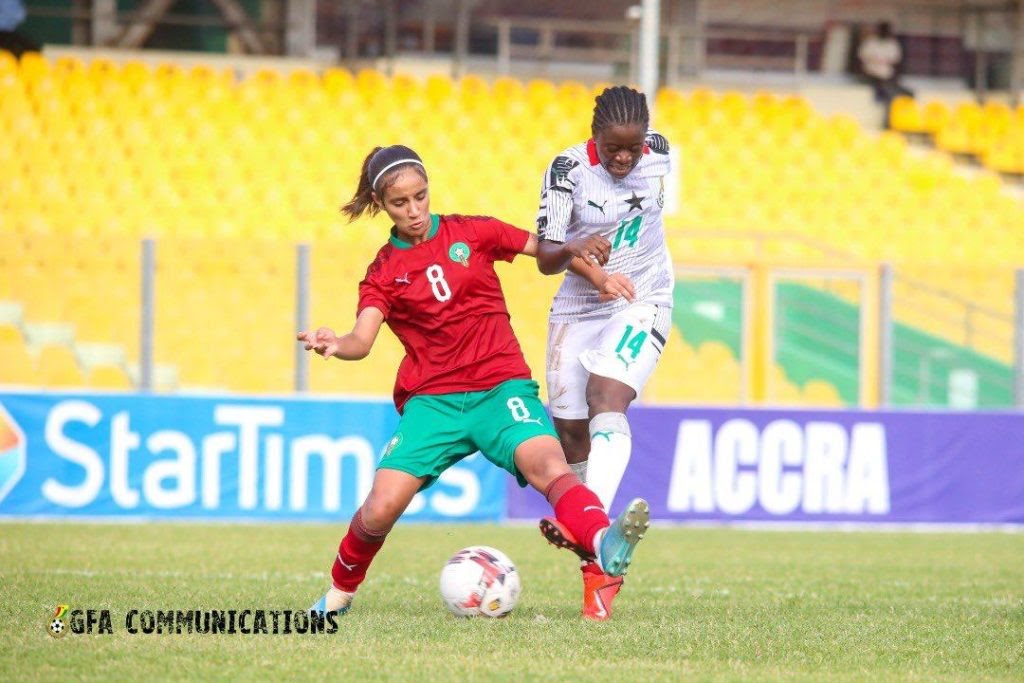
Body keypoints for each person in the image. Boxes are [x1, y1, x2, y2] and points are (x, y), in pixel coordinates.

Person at [299, 144, 650, 618]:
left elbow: (545, 250)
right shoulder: (383, 272)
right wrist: (336, 343)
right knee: (380, 507)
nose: (414, 210)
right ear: (381, 204)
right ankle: (339, 593)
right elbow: (362, 339)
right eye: (400, 203)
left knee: (549, 466)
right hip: (434, 402)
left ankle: (603, 542)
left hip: (501, 388)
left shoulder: (473, 231)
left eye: (421, 196)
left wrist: (598, 275)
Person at [534, 85, 673, 621]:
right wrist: (587, 262)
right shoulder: (567, 171)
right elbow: (545, 256)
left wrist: (620, 272)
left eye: (633, 148)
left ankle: (589, 527)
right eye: (614, 148)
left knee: (605, 396)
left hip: (644, 297)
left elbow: (646, 221)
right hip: (578, 306)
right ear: (595, 136)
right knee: (571, 433)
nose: (624, 158)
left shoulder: (661, 152)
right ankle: (599, 562)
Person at [856, 21, 913, 128]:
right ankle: (888, 122)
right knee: (887, 92)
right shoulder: (870, 43)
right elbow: (860, 60)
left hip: (887, 77)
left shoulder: (892, 44)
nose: (884, 33)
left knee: (906, 93)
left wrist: (894, 77)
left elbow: (896, 63)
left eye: (886, 31)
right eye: (882, 30)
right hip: (871, 75)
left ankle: (902, 121)